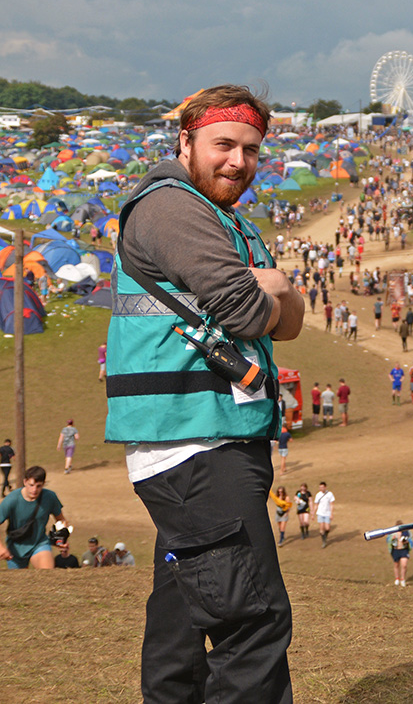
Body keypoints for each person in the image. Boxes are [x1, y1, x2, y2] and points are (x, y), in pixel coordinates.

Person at [104, 85, 303, 703]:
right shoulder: (171, 207)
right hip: (194, 446)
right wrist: (271, 288)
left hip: (211, 438)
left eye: (250, 149)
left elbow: (287, 319)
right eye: (223, 145)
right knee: (253, 621)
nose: (237, 162)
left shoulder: (228, 219)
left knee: (184, 625)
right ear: (185, 140)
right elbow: (249, 313)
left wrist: (280, 289)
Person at [0, 465, 68, 570]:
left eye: (38, 486)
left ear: (44, 484)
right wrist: (0, 548)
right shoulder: (11, 500)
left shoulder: (50, 497)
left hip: (39, 543)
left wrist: (61, 538)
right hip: (15, 548)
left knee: (47, 576)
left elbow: (61, 520)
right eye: (31, 485)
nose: (34, 490)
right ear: (25, 482)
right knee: (20, 584)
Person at [387, 522, 413, 587]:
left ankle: (402, 579)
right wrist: (392, 539)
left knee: (404, 565)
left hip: (404, 550)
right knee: (396, 564)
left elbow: (410, 540)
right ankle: (397, 578)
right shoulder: (393, 533)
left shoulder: (406, 532)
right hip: (395, 550)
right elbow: (388, 540)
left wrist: (406, 541)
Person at [313, 482, 335, 549]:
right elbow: (316, 504)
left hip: (327, 513)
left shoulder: (330, 494)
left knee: (327, 528)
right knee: (321, 528)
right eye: (320, 487)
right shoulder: (318, 495)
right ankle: (324, 541)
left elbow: (332, 504)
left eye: (322, 487)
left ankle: (325, 536)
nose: (321, 488)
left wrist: (331, 513)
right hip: (320, 513)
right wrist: (313, 513)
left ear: (325, 487)